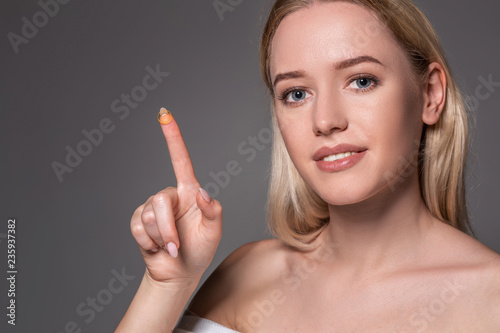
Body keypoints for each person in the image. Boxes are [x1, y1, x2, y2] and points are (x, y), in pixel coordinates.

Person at [117, 0, 500, 331]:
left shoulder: (491, 299)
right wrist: (166, 286)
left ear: (430, 94)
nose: (325, 120)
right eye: (296, 94)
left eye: (361, 81)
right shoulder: (247, 275)